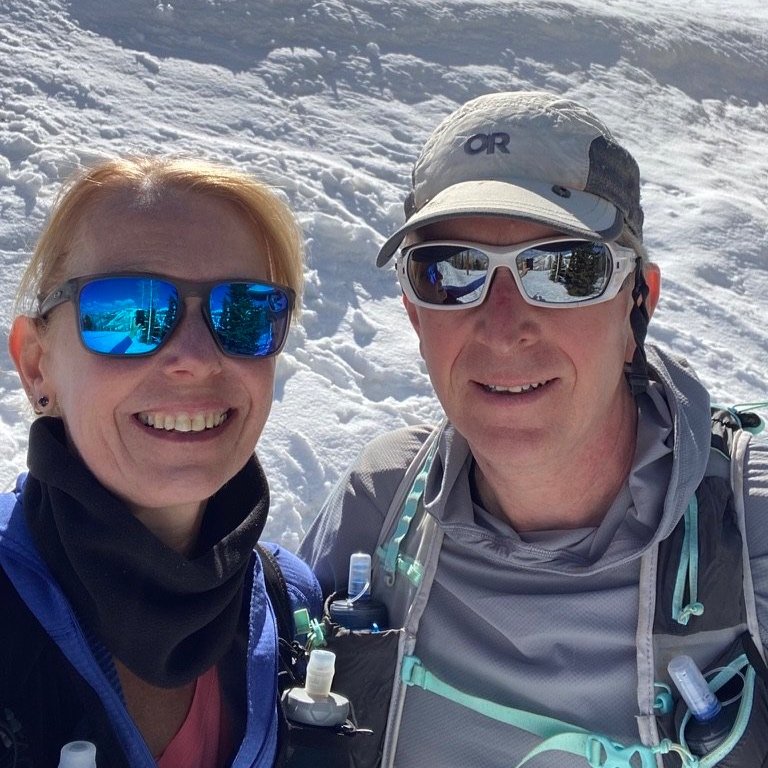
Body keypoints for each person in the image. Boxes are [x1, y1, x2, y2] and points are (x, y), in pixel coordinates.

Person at [299, 91, 768, 766]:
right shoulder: (379, 506)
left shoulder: (750, 525)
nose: (503, 325)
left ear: (639, 306)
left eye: (563, 269)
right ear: (413, 314)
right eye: (451, 271)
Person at [0, 156, 322, 768]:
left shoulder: (290, 611)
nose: (197, 358)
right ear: (38, 365)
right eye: (129, 313)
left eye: (245, 312)